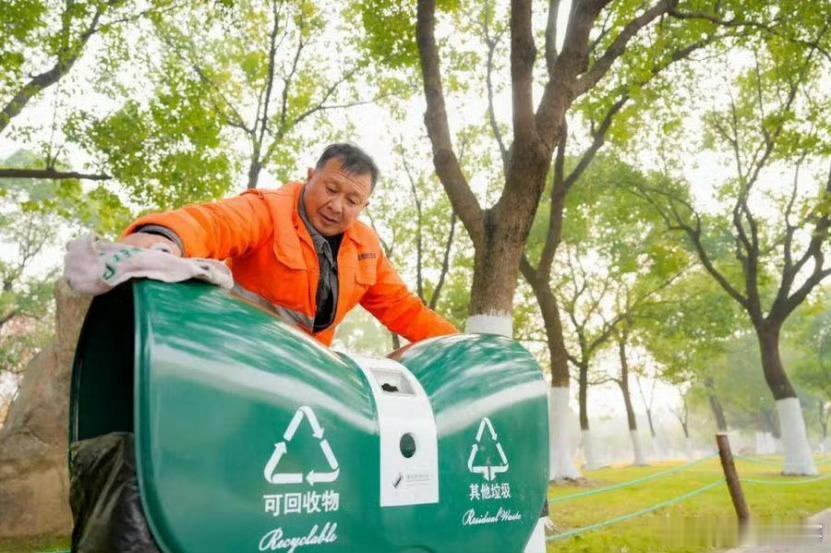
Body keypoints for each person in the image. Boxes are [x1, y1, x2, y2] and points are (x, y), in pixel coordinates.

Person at [120, 143, 458, 346]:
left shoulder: (365, 249)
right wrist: (164, 237)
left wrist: (460, 347)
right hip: (237, 353)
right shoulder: (270, 209)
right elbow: (216, 223)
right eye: (331, 189)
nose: (337, 205)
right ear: (311, 176)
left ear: (364, 206)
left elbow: (405, 309)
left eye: (352, 199)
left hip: (308, 375)